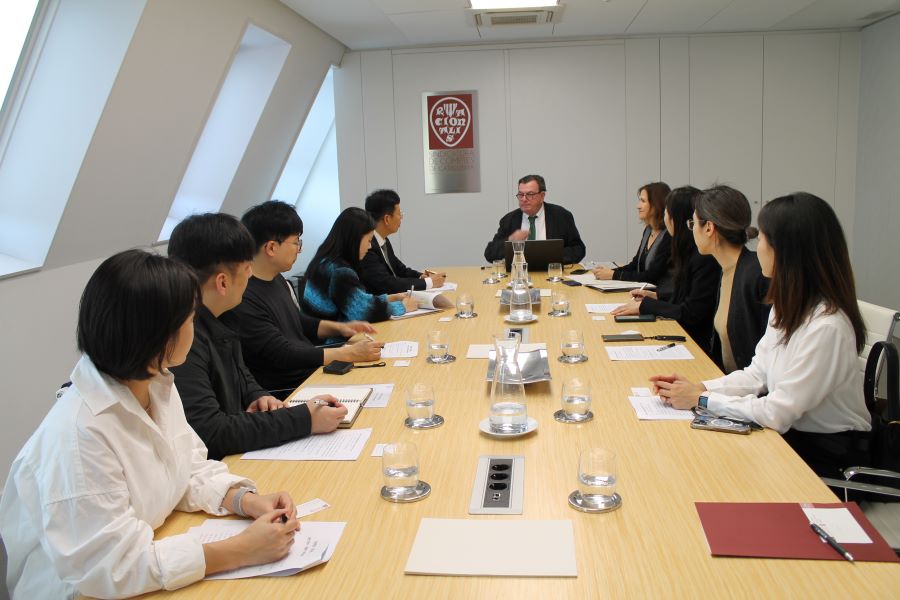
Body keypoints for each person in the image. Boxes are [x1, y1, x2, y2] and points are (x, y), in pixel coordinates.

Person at [0, 250, 300, 598]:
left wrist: (244, 500)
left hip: (146, 563)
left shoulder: (156, 384)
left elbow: (185, 467)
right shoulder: (78, 435)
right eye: (191, 318)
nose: (195, 326)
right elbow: (112, 567)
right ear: (159, 336)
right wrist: (240, 550)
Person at [650, 193, 871, 477]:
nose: (758, 246)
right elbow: (756, 375)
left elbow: (777, 413)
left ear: (787, 251)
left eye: (764, 238)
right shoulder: (787, 307)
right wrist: (699, 387)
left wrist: (701, 399)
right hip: (790, 441)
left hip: (827, 460)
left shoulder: (827, 327)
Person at [168, 213, 347, 460]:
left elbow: (242, 375)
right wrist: (304, 419)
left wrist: (259, 396)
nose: (250, 275)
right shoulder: (182, 338)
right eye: (246, 268)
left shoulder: (222, 316)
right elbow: (210, 432)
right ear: (222, 282)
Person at [227, 200, 384, 395]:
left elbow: (296, 321)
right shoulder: (244, 297)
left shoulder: (277, 280)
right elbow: (282, 353)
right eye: (295, 242)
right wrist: (347, 353)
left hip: (313, 373)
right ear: (271, 248)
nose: (299, 249)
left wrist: (340, 328)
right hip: (291, 388)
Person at [611, 186, 719, 353]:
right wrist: (657, 296)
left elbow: (691, 313)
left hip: (694, 346)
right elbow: (687, 296)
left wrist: (647, 305)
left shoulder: (703, 258)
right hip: (685, 337)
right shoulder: (688, 251)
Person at [691, 185, 770, 372]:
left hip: (750, 395)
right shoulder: (727, 268)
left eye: (693, 223)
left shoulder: (756, 275)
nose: (692, 230)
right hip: (729, 387)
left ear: (709, 227)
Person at [303, 207, 418, 324]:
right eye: (368, 241)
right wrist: (402, 307)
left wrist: (391, 298)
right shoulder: (340, 271)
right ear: (354, 239)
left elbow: (359, 299)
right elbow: (363, 312)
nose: (369, 247)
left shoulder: (325, 261)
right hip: (333, 340)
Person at [483, 174, 586, 265]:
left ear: (542, 196)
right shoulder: (509, 220)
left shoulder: (561, 216)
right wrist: (510, 240)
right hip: (519, 276)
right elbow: (490, 254)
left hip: (551, 274)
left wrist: (552, 256)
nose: (524, 199)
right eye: (521, 195)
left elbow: (578, 249)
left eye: (530, 194)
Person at [592, 182, 673, 297]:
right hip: (642, 293)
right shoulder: (648, 230)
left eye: (643, 201)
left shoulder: (668, 236)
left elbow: (652, 276)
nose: (638, 206)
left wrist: (613, 275)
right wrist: (609, 271)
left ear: (656, 204)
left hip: (659, 297)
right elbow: (635, 265)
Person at [359, 189, 446, 294]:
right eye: (399, 214)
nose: (401, 218)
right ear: (387, 219)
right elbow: (388, 283)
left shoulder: (382, 240)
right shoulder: (367, 247)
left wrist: (420, 276)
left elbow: (400, 269)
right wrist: (429, 283)